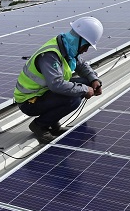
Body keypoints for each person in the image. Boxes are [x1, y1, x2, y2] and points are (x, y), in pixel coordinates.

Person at [14, 16, 104, 144]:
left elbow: (82, 65)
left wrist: (94, 80)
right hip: (29, 101)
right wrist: (84, 90)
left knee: (85, 84)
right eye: (86, 46)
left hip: (43, 95)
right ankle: (39, 125)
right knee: (74, 99)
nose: (86, 50)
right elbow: (56, 85)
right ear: (79, 40)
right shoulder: (51, 55)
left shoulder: (68, 48)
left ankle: (52, 122)